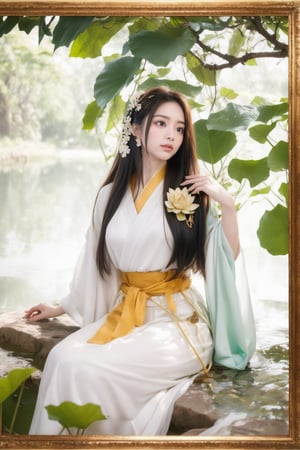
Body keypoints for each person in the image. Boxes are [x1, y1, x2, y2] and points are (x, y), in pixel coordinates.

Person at [25, 86, 256, 435]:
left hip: (177, 322)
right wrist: (61, 307)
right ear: (136, 128)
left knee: (88, 367)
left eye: (179, 128)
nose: (171, 135)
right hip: (127, 313)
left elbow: (224, 256)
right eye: (161, 123)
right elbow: (95, 265)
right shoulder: (109, 195)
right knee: (61, 358)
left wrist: (227, 204)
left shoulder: (189, 192)